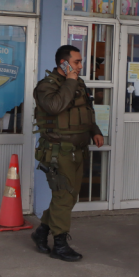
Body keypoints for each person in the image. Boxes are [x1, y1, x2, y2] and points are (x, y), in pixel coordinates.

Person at [31, 45, 104, 262]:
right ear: (63, 63)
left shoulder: (79, 84)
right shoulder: (46, 87)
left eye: (80, 62)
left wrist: (95, 131)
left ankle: (41, 232)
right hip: (58, 151)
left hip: (78, 151)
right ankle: (60, 245)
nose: (80, 66)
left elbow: (87, 111)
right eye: (76, 62)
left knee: (69, 197)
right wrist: (70, 81)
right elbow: (55, 107)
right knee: (64, 196)